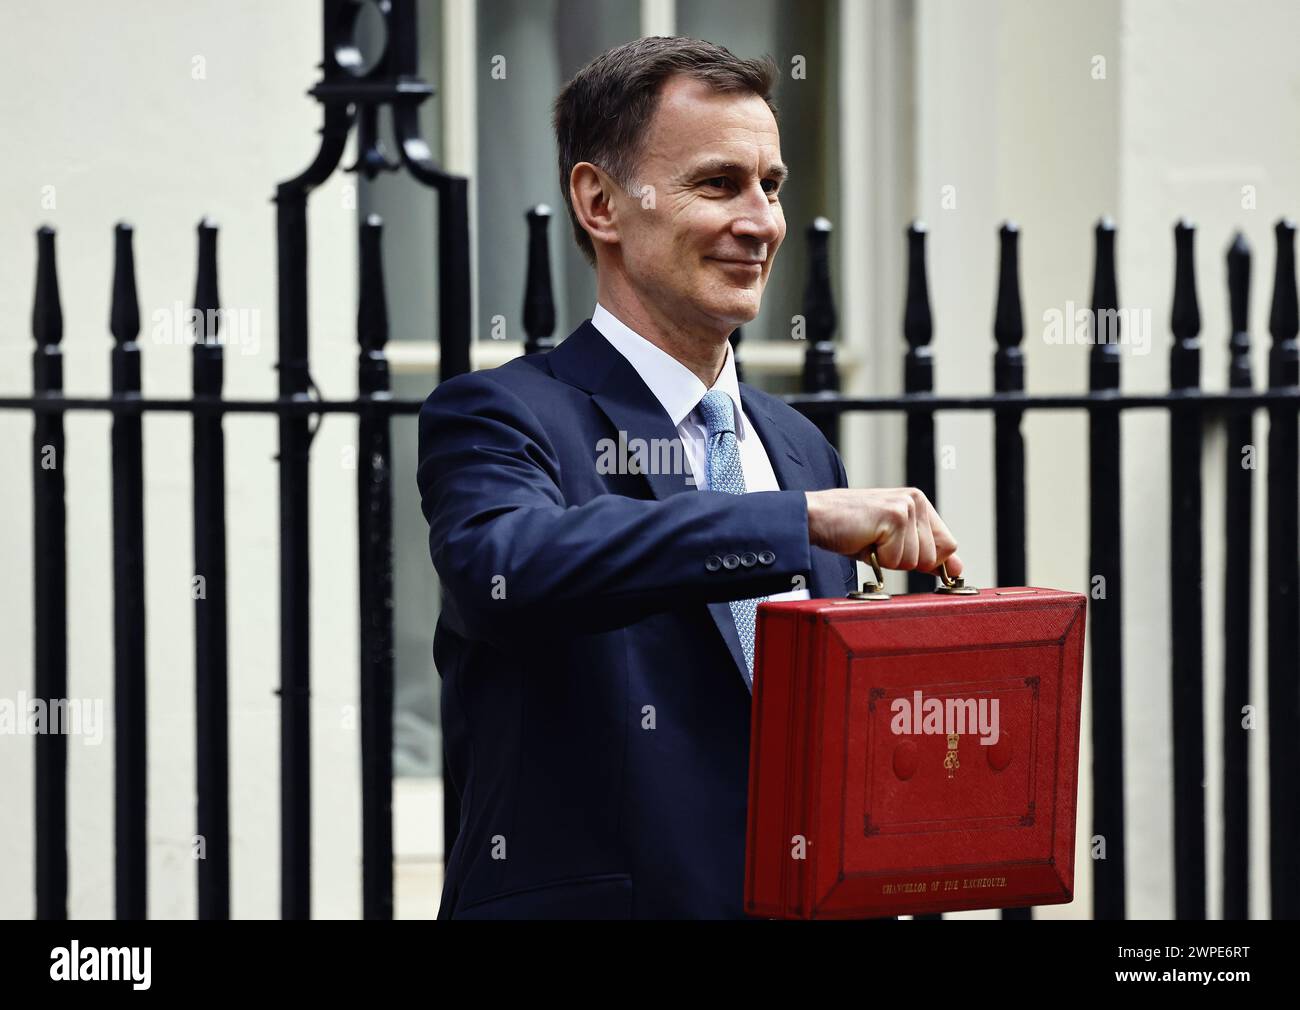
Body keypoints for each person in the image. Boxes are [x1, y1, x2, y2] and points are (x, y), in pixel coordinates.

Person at [416, 35, 961, 919]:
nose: (762, 221)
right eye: (718, 184)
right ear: (600, 202)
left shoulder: (798, 448)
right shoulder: (500, 414)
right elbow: (505, 567)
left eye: (772, 185)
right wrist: (798, 522)